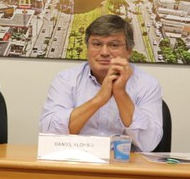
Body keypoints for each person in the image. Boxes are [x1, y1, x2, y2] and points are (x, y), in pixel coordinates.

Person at [39, 14, 163, 152]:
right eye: (97, 44)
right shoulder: (66, 79)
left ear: (128, 51)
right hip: (76, 160)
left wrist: (120, 94)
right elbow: (49, 134)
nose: (104, 52)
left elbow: (149, 143)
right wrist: (99, 99)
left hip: (124, 162)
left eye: (114, 45)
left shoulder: (147, 84)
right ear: (88, 48)